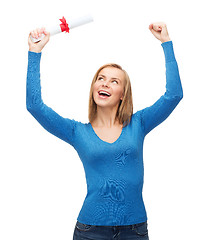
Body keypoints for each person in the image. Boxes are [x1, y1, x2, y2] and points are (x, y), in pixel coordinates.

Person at [26, 22, 183, 240]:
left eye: (114, 81)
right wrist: (35, 53)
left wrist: (166, 42)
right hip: (91, 230)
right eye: (100, 78)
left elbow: (173, 95)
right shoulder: (76, 132)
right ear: (93, 88)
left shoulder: (139, 124)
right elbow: (35, 106)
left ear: (122, 94)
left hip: (135, 230)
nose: (105, 84)